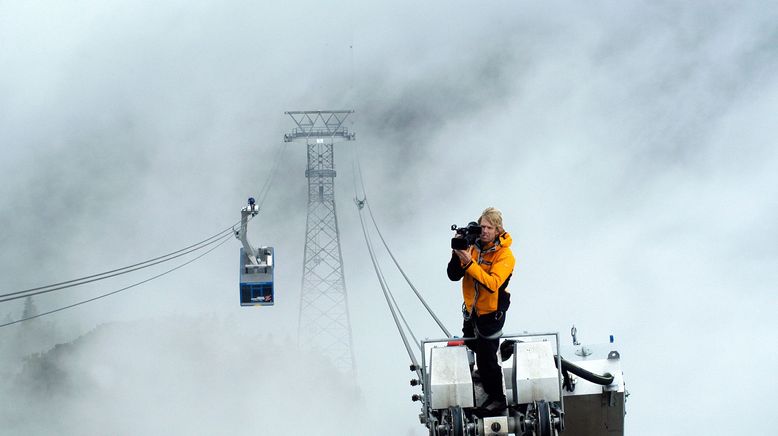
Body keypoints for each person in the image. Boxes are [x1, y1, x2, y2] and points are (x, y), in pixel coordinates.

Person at [447, 207, 515, 415]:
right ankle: (484, 373)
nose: (483, 231)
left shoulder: (505, 255)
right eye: (481, 227)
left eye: (488, 228)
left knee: (487, 358)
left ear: (498, 230)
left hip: (491, 313)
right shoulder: (473, 246)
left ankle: (497, 398)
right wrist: (457, 253)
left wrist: (469, 262)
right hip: (472, 311)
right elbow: (453, 275)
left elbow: (492, 283)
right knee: (471, 342)